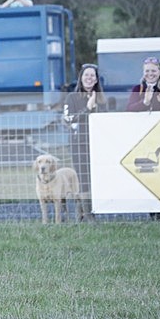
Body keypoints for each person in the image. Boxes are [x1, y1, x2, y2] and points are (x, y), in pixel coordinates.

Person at [62, 64, 107, 221]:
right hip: (78, 144)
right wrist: (87, 109)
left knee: (96, 177)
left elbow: (105, 120)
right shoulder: (72, 98)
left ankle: (83, 213)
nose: (89, 78)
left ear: (96, 79)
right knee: (83, 178)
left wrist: (96, 107)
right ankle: (88, 216)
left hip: (97, 144)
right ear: (81, 78)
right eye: (86, 75)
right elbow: (68, 119)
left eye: (92, 76)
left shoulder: (101, 98)